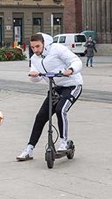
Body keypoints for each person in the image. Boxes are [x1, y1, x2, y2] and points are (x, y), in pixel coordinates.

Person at [17, 33, 83, 161]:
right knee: (41, 116)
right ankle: (29, 149)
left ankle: (63, 142)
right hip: (55, 88)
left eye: (38, 46)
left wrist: (71, 70)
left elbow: (76, 61)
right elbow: (36, 78)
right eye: (32, 47)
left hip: (72, 85)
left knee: (60, 109)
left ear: (44, 44)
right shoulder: (35, 59)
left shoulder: (57, 49)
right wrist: (34, 76)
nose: (35, 50)